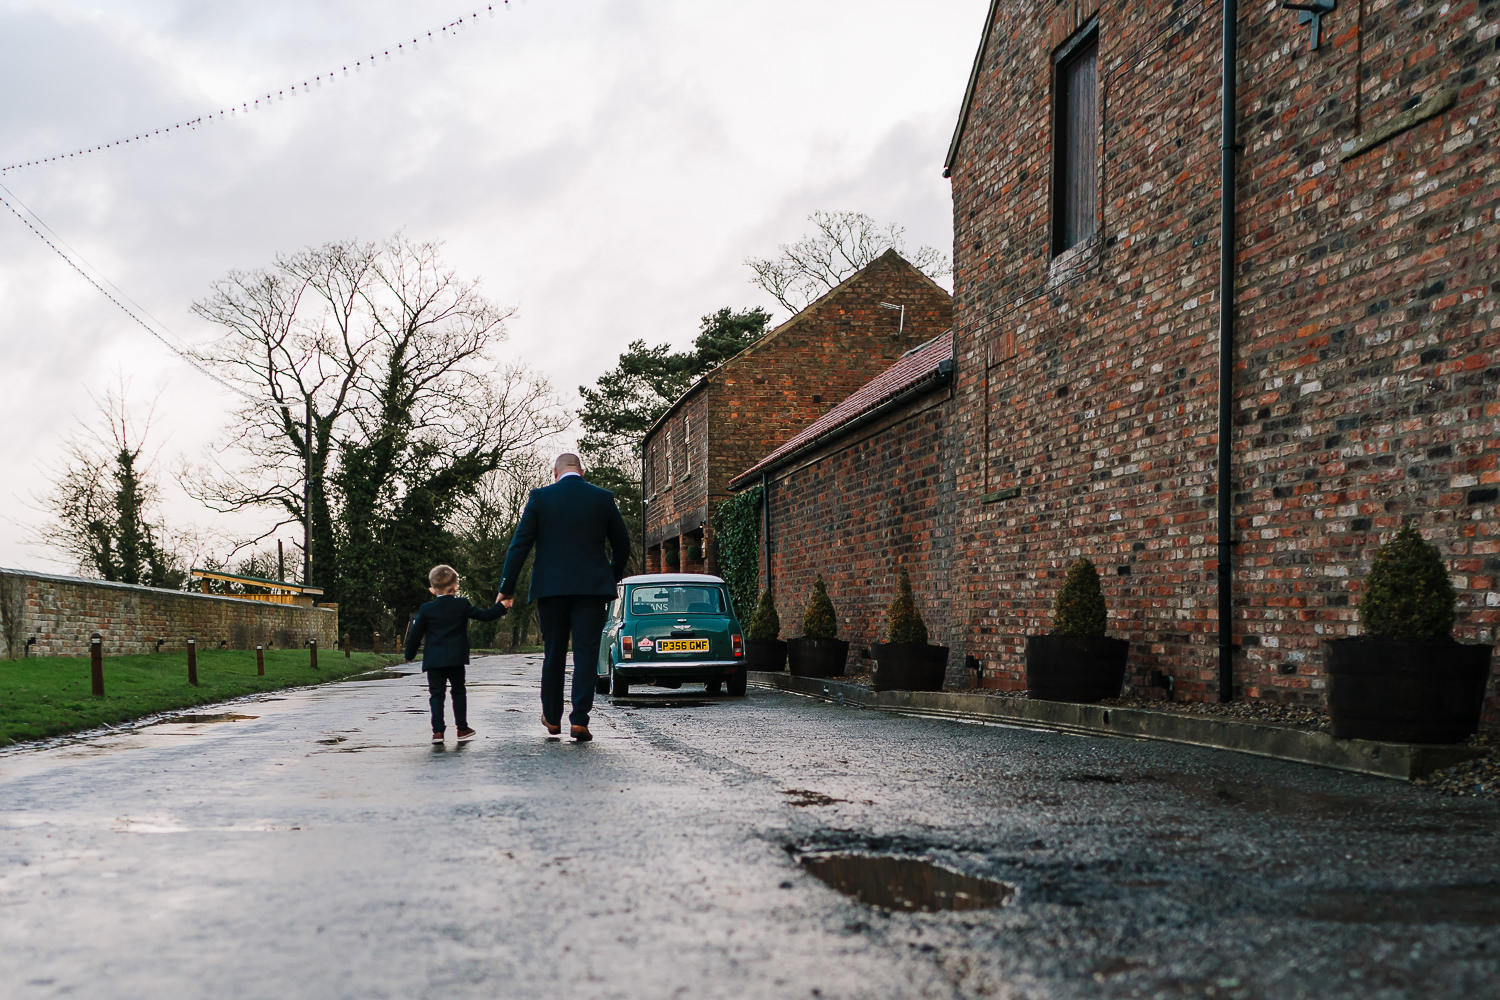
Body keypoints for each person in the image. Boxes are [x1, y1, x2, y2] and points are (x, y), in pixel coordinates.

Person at [499, 453, 630, 742]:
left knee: (554, 653)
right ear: (582, 471)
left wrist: (506, 588)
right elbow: (622, 543)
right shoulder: (603, 498)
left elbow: (519, 544)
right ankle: (579, 720)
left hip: (551, 589)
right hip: (591, 589)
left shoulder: (540, 498)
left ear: (553, 473)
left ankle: (552, 717)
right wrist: (611, 574)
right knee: (585, 655)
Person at [404, 564, 507, 744]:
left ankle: (438, 732)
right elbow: (485, 615)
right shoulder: (462, 605)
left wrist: (409, 654)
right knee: (458, 691)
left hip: (434, 660)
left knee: (436, 694)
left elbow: (415, 635)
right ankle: (462, 728)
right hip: (456, 658)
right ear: (456, 587)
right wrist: (502, 606)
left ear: (432, 590)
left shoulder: (426, 609)